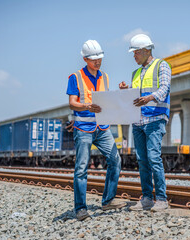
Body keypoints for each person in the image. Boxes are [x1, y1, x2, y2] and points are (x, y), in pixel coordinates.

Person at [67, 39, 126, 221]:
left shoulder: (105, 77)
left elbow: (107, 101)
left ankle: (108, 200)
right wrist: (86, 106)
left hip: (102, 127)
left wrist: (122, 91)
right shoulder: (75, 77)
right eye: (94, 59)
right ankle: (81, 209)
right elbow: (72, 103)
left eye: (100, 58)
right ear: (85, 59)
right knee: (82, 168)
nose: (97, 62)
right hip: (84, 128)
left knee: (115, 159)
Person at [119, 34, 171, 212]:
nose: (133, 56)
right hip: (138, 120)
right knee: (142, 160)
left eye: (135, 53)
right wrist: (127, 91)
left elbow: (164, 88)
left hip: (155, 118)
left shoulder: (161, 65)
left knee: (154, 158)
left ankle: (162, 199)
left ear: (145, 51)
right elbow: (135, 96)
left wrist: (149, 98)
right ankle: (147, 198)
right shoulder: (135, 73)